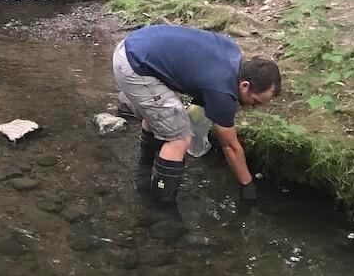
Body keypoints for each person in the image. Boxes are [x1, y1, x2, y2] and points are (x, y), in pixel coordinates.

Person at [112, 25, 281, 204]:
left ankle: (145, 168)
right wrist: (247, 186)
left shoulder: (233, 53)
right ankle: (161, 206)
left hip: (135, 44)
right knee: (179, 138)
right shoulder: (222, 91)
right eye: (256, 101)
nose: (254, 107)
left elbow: (199, 71)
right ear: (244, 85)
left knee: (163, 115)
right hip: (134, 66)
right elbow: (230, 147)